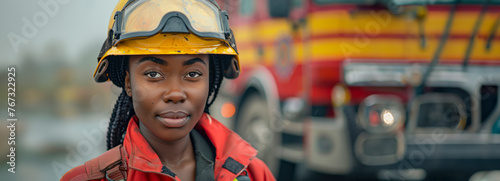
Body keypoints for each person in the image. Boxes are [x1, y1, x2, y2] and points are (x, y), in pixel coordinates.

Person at [60, 0, 275, 180]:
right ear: (128, 83)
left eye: (193, 74)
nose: (175, 93)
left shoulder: (254, 174)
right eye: (153, 74)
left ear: (211, 80)